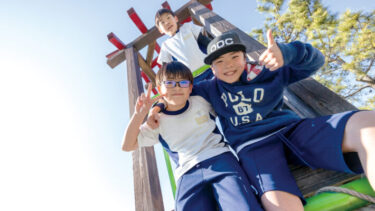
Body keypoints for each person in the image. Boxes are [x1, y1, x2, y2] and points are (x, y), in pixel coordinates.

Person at [150, 30, 375, 211]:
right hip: (254, 148)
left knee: (367, 124)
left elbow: (315, 61)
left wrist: (288, 53)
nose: (228, 65)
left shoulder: (267, 70)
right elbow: (177, 93)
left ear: (245, 57)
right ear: (211, 68)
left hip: (291, 130)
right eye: (219, 61)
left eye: (234, 57)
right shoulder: (209, 88)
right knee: (279, 203)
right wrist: (157, 106)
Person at [122, 61, 263, 211]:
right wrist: (139, 115)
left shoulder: (201, 99)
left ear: (190, 87)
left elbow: (222, 82)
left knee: (243, 206)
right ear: (159, 89)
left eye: (182, 82)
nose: (176, 87)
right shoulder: (156, 121)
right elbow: (127, 145)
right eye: (169, 83)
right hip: (187, 172)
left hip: (220, 159)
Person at [155, 8, 213, 84]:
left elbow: (204, 40)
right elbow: (166, 68)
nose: (167, 23)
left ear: (175, 18)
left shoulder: (187, 27)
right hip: (191, 79)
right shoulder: (165, 45)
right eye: (162, 22)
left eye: (168, 18)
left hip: (209, 68)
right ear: (160, 30)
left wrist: (217, 50)